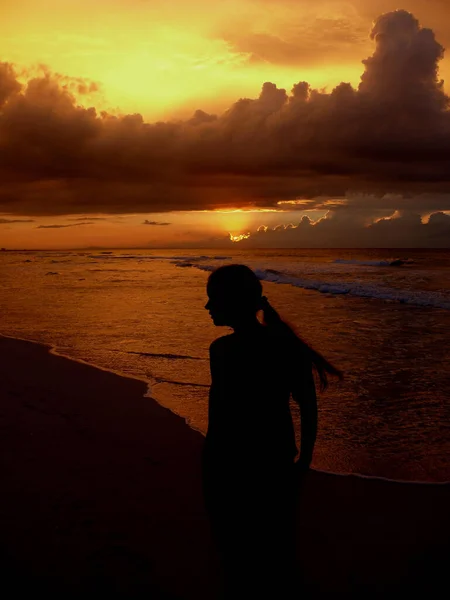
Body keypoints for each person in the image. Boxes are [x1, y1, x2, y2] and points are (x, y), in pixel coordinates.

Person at [202, 264, 343, 598]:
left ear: (232, 301)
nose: (208, 307)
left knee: (238, 553)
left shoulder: (222, 351)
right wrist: (303, 461)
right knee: (275, 550)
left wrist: (209, 463)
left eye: (213, 300)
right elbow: (308, 408)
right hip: (272, 462)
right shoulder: (281, 346)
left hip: (230, 465)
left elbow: (218, 416)